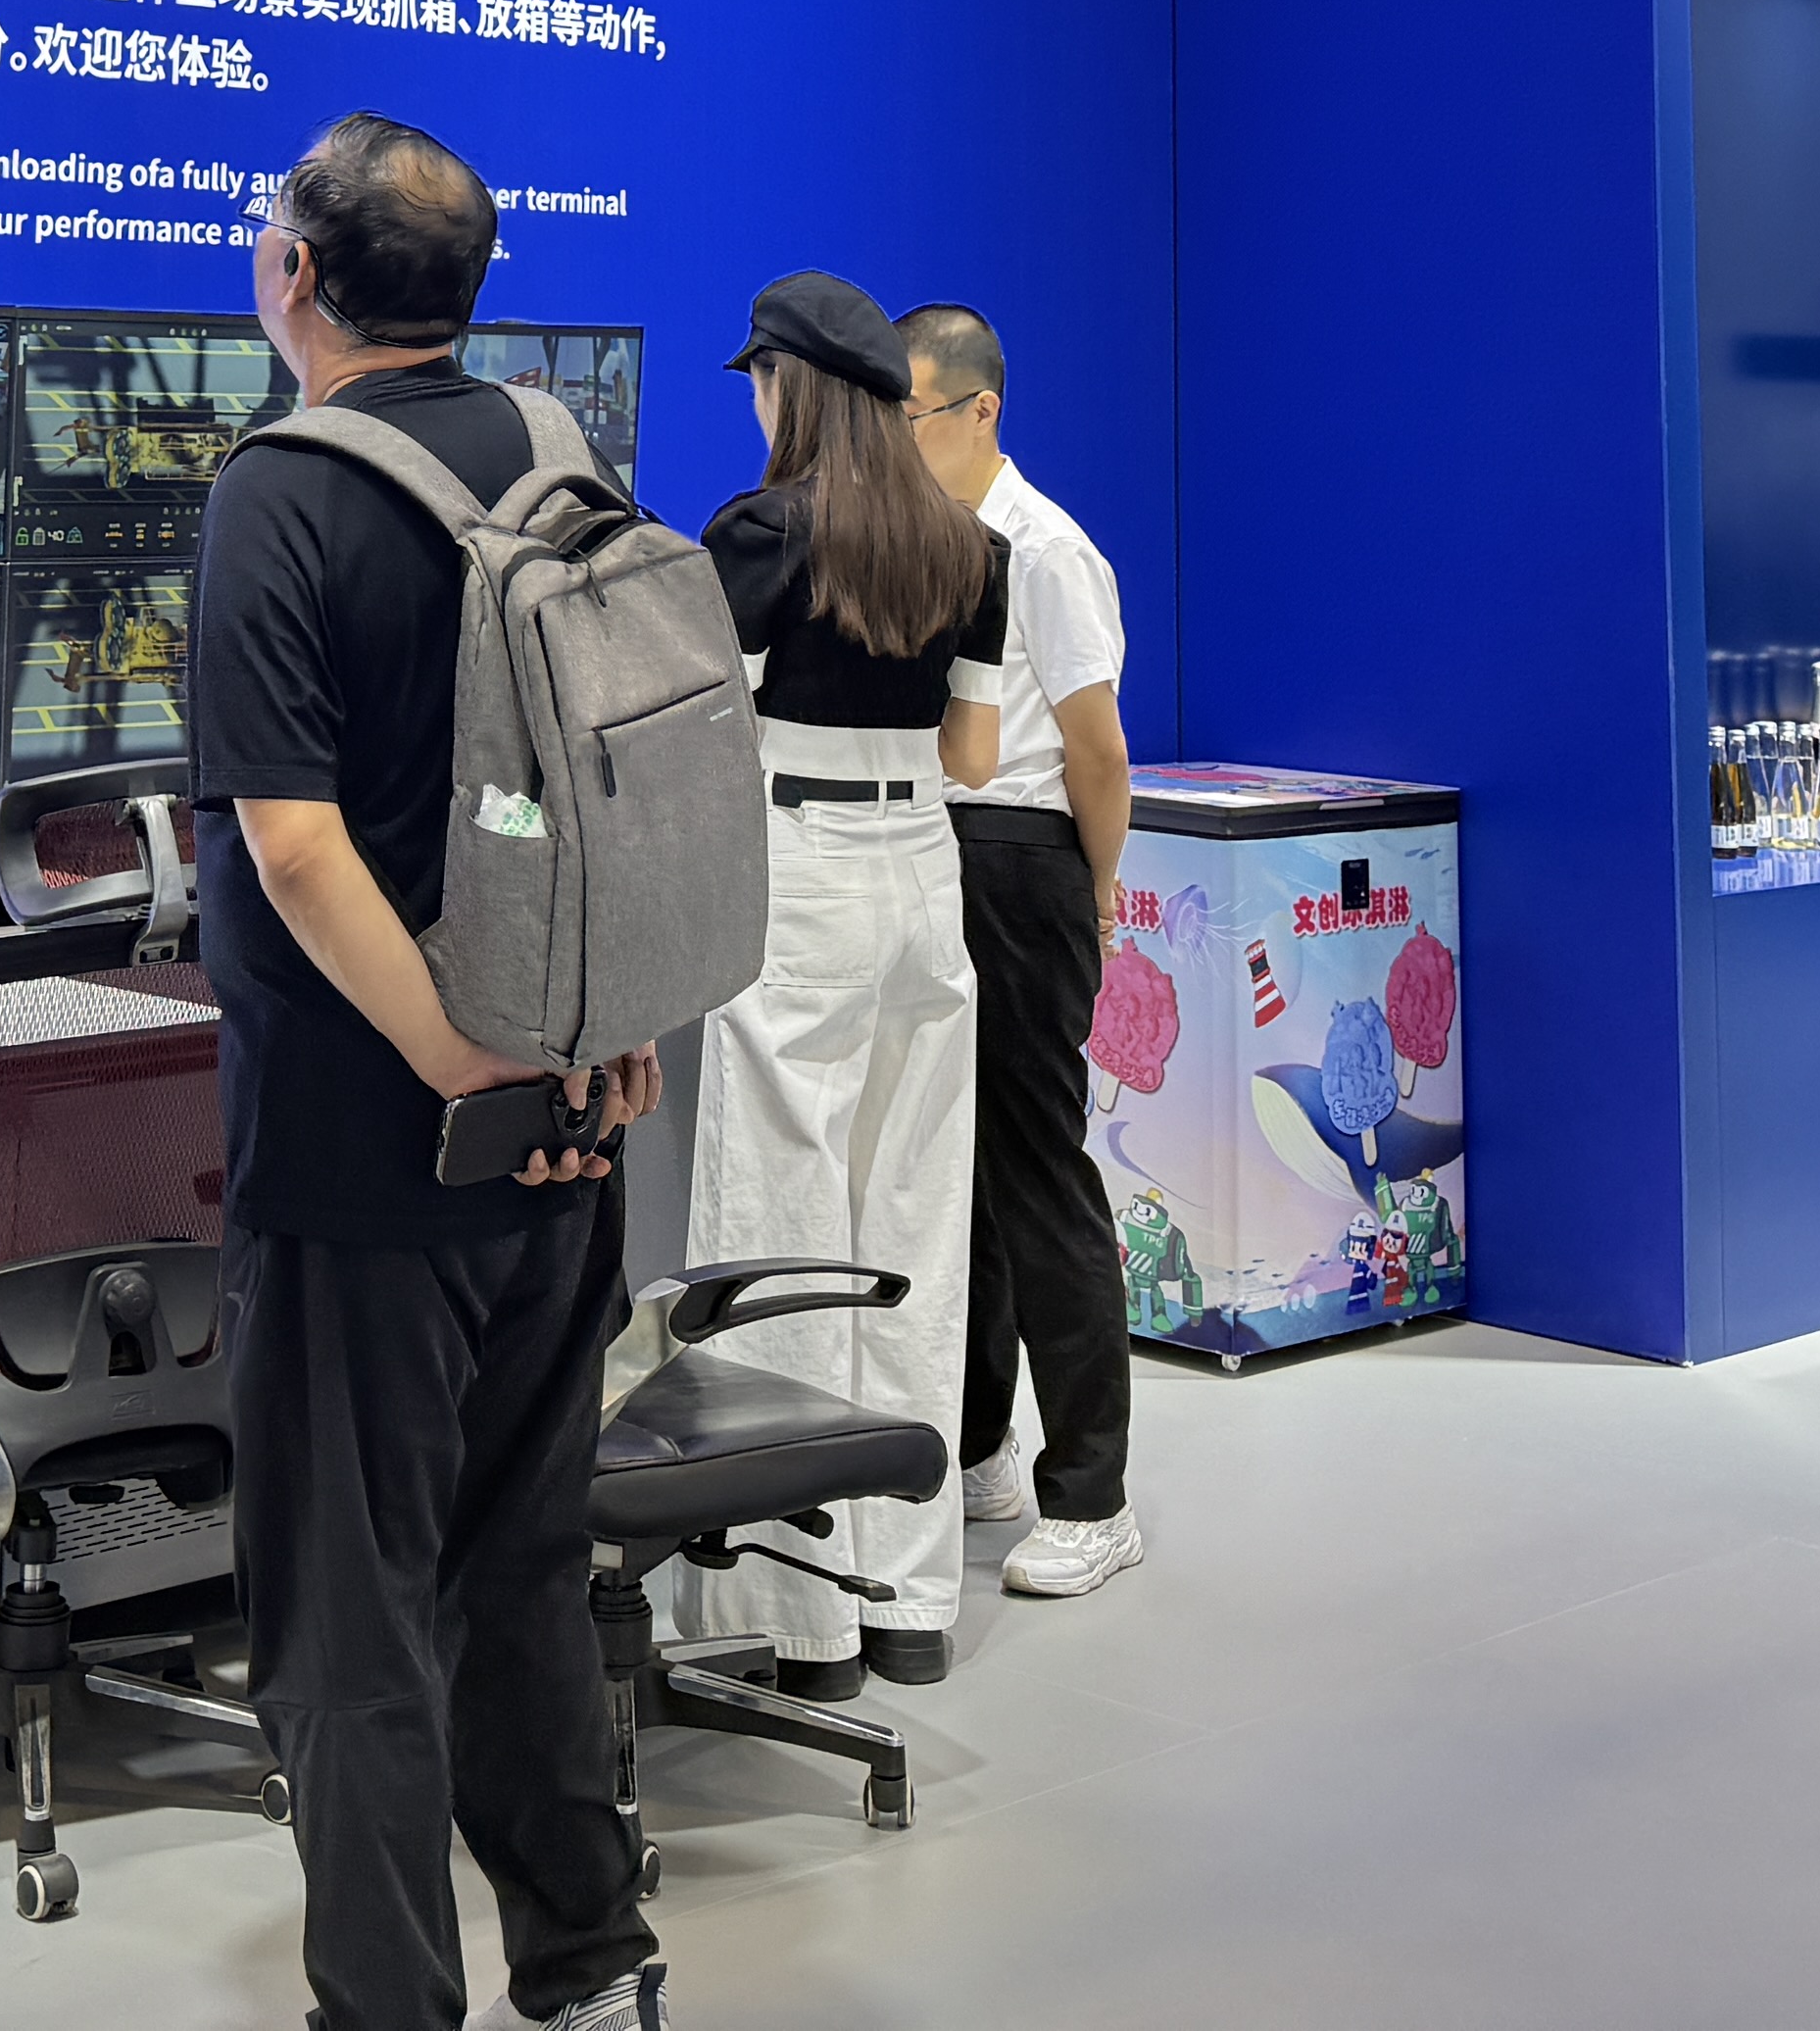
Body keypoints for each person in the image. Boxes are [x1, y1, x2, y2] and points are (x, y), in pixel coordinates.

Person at [193, 112, 667, 2031]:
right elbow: (633, 791)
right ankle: (591, 1966)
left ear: (296, 277)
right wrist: (591, 1030)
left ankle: (387, 2007)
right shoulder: (565, 458)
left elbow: (295, 847)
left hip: (364, 1146)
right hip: (572, 1121)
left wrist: (451, 1059)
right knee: (520, 1569)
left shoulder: (281, 491)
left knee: (350, 1619)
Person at [677, 269, 1009, 1698]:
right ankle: (910, 1599)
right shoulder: (972, 548)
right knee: (917, 1223)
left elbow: (697, 732)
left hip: (796, 868)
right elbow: (973, 754)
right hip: (924, 874)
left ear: (787, 385)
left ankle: (796, 1620)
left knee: (781, 1226)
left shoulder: (759, 534)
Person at [899, 298, 1144, 1604]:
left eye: (911, 414)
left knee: (1039, 1173)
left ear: (979, 409)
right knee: (960, 1172)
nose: (894, 438)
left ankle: (1093, 1495)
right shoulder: (922, 539)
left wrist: (1093, 890)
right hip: (931, 854)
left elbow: (1097, 750)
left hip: (1026, 859)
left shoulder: (1046, 550)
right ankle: (982, 1444)